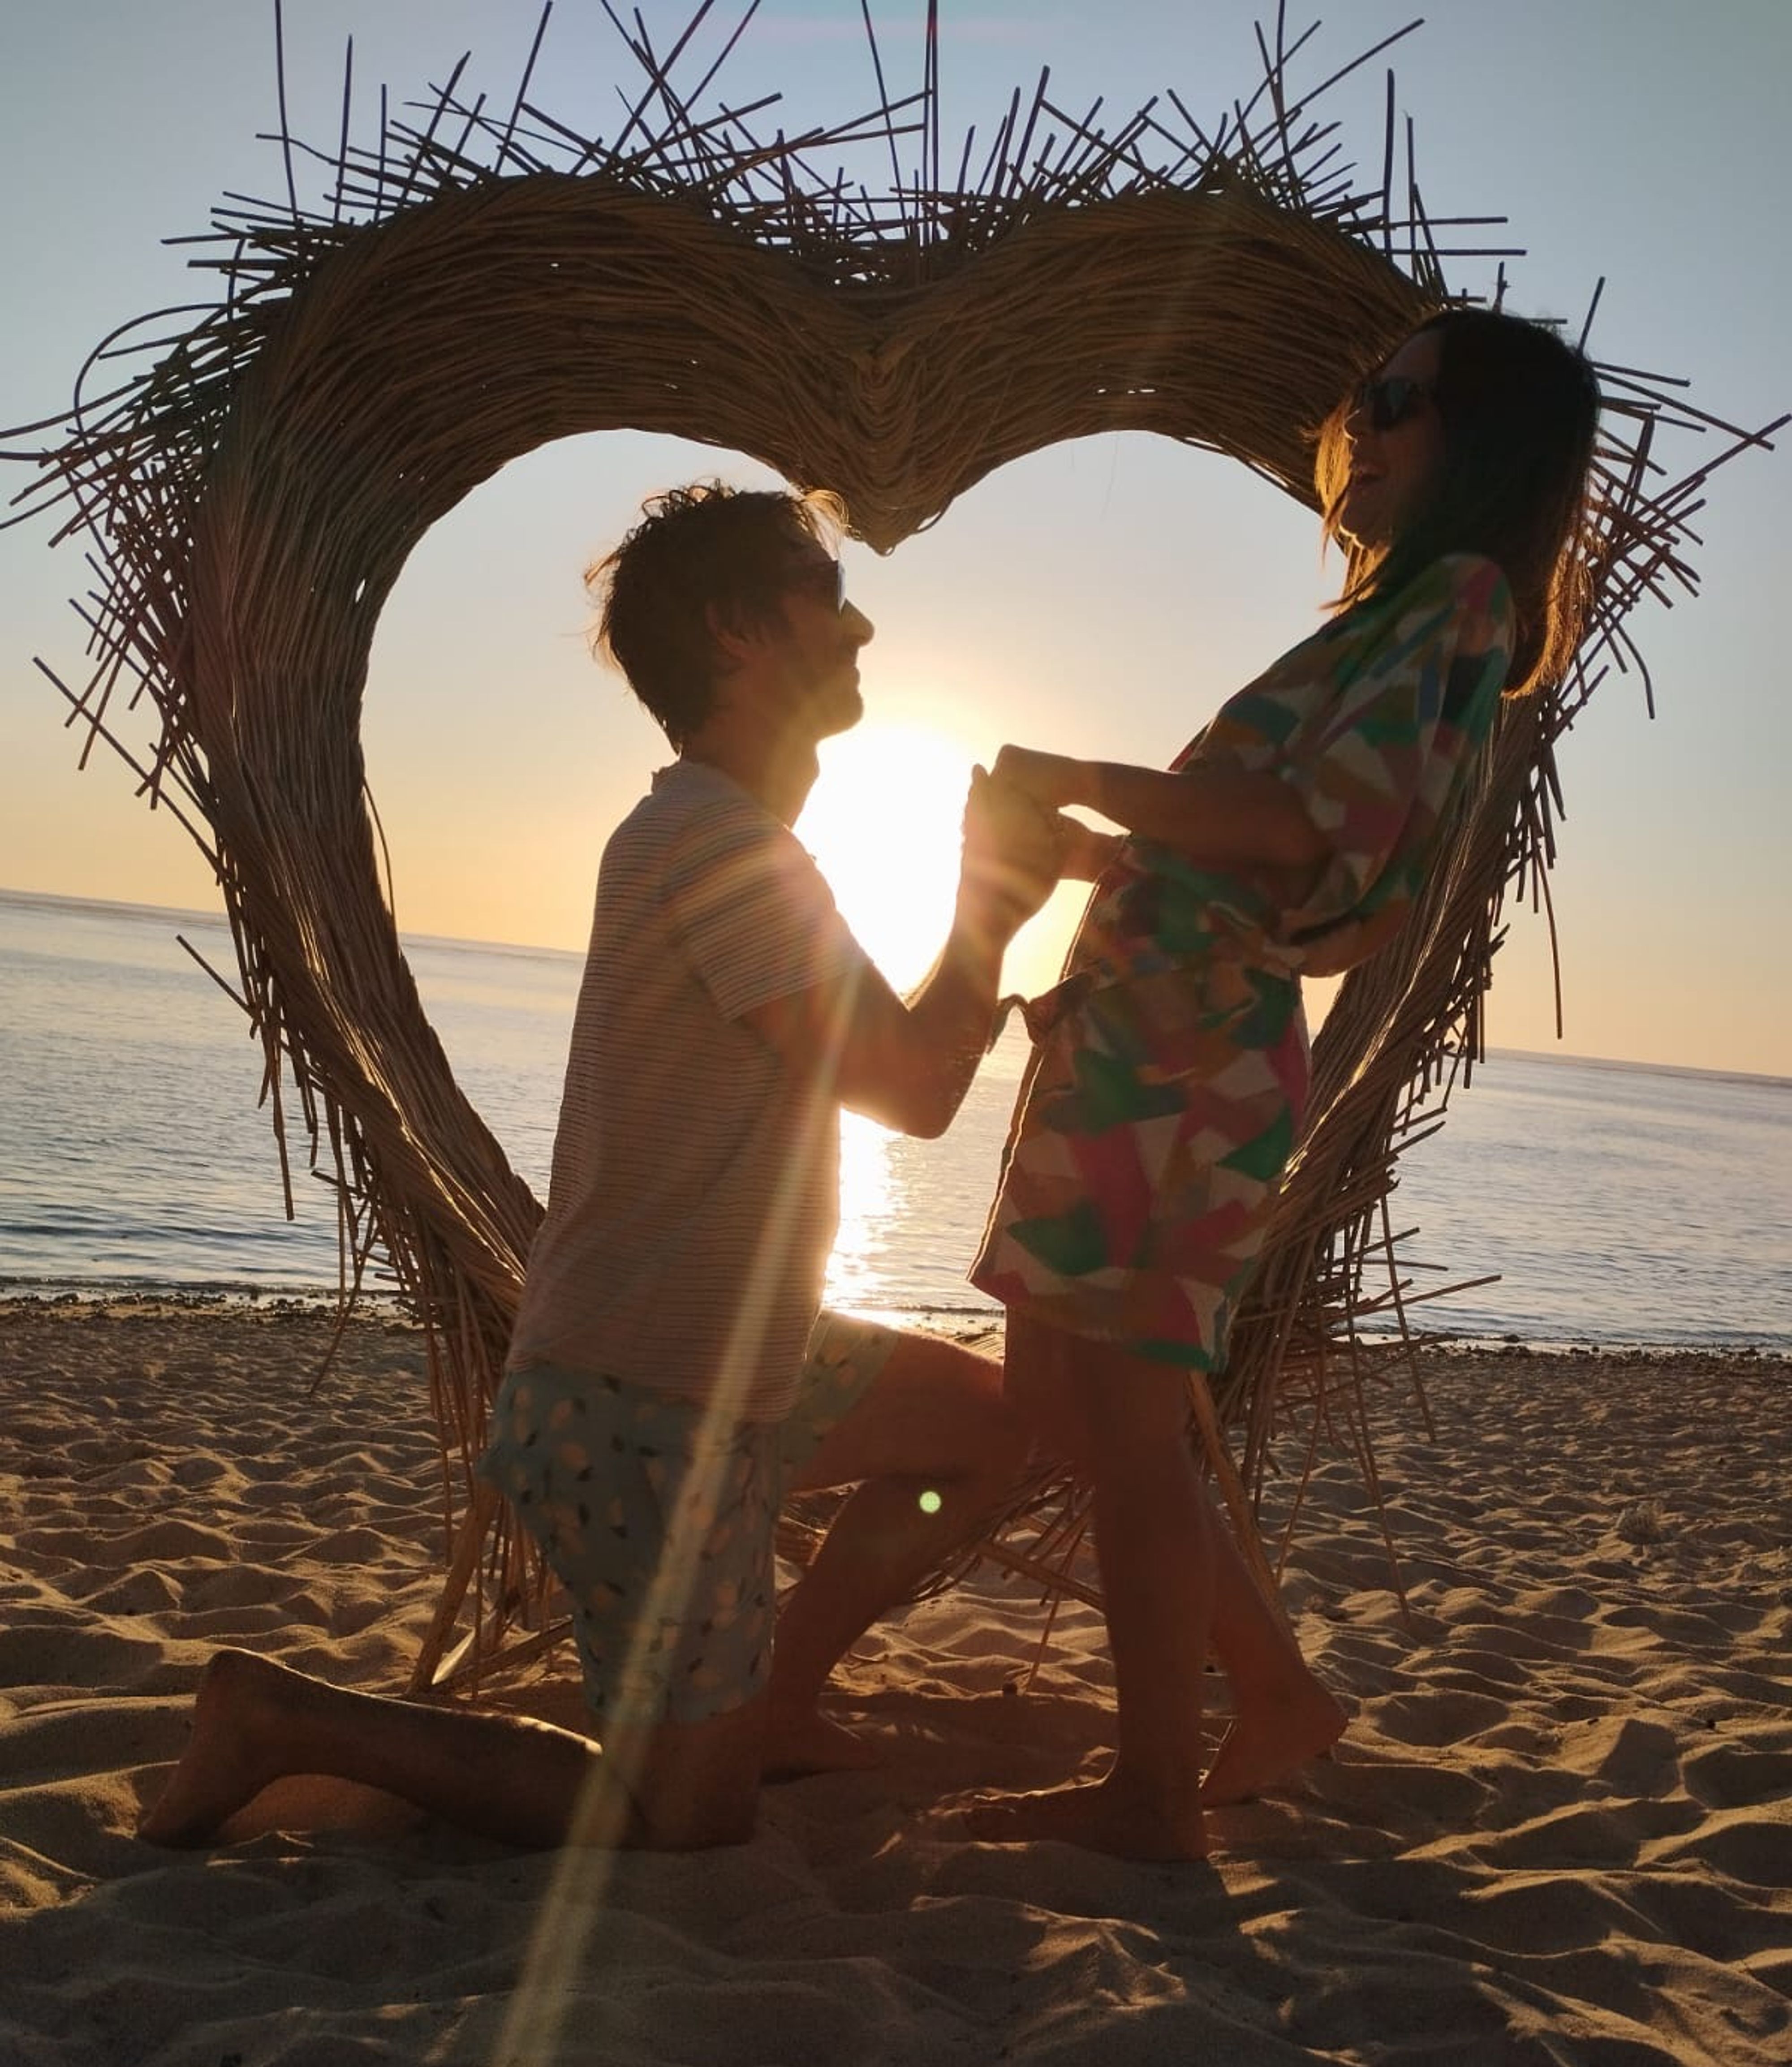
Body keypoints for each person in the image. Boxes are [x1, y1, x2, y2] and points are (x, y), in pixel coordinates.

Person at [142, 481, 1060, 1855]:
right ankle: (282, 1720)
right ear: (737, 632)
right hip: (642, 1401)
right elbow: (917, 1090)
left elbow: (896, 1070)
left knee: (996, 1426)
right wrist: (991, 902)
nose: (859, 625)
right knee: (684, 1821)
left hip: (736, 1364)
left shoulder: (734, 843)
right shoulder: (718, 848)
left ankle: (776, 1701)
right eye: (824, 595)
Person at [967, 307, 1601, 1860]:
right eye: (1363, 396)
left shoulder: (1456, 600)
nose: (1359, 425)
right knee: (1059, 1394)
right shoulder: (1394, 615)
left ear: (1485, 443)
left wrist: (1085, 780)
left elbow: (1309, 831)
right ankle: (1274, 1692)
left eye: (1400, 401)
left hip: (1186, 1063)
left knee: (1122, 1424)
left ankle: (1151, 1796)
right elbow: (1248, 848)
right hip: (1136, 1044)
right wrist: (1100, 854)